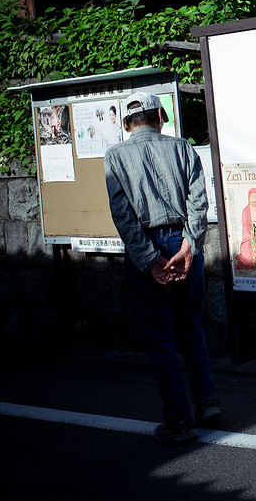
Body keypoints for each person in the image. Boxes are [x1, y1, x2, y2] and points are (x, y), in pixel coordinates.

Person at [104, 91, 220, 442]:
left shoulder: (115, 156)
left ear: (126, 124)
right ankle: (208, 402)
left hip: (147, 245)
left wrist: (147, 257)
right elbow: (198, 199)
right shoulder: (183, 147)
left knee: (159, 336)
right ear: (161, 117)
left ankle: (179, 420)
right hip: (183, 242)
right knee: (191, 327)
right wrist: (189, 244)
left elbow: (122, 214)